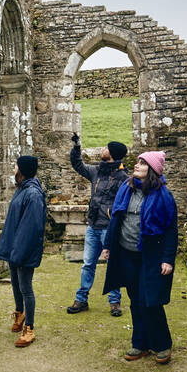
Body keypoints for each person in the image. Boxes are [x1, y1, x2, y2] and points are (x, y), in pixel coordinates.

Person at [102, 151, 178, 364]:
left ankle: (162, 345)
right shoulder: (126, 189)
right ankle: (140, 343)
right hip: (127, 254)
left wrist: (168, 259)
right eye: (138, 161)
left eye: (143, 163)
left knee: (151, 301)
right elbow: (116, 219)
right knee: (135, 301)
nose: (137, 165)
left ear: (152, 170)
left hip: (151, 255)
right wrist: (108, 246)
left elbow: (171, 230)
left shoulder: (163, 195)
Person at [67, 134, 129, 317]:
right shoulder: (96, 171)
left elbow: (122, 207)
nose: (103, 149)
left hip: (109, 229)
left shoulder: (123, 178)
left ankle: (115, 302)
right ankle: (81, 299)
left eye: (106, 148)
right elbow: (78, 165)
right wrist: (77, 147)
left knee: (113, 266)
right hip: (93, 227)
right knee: (87, 264)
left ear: (113, 154)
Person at [0, 155, 47, 348]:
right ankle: (20, 313)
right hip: (14, 247)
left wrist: (19, 253)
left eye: (16, 166)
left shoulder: (33, 194)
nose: (14, 169)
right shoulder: (22, 189)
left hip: (24, 250)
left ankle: (30, 328)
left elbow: (31, 228)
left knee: (26, 288)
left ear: (22, 170)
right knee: (16, 285)